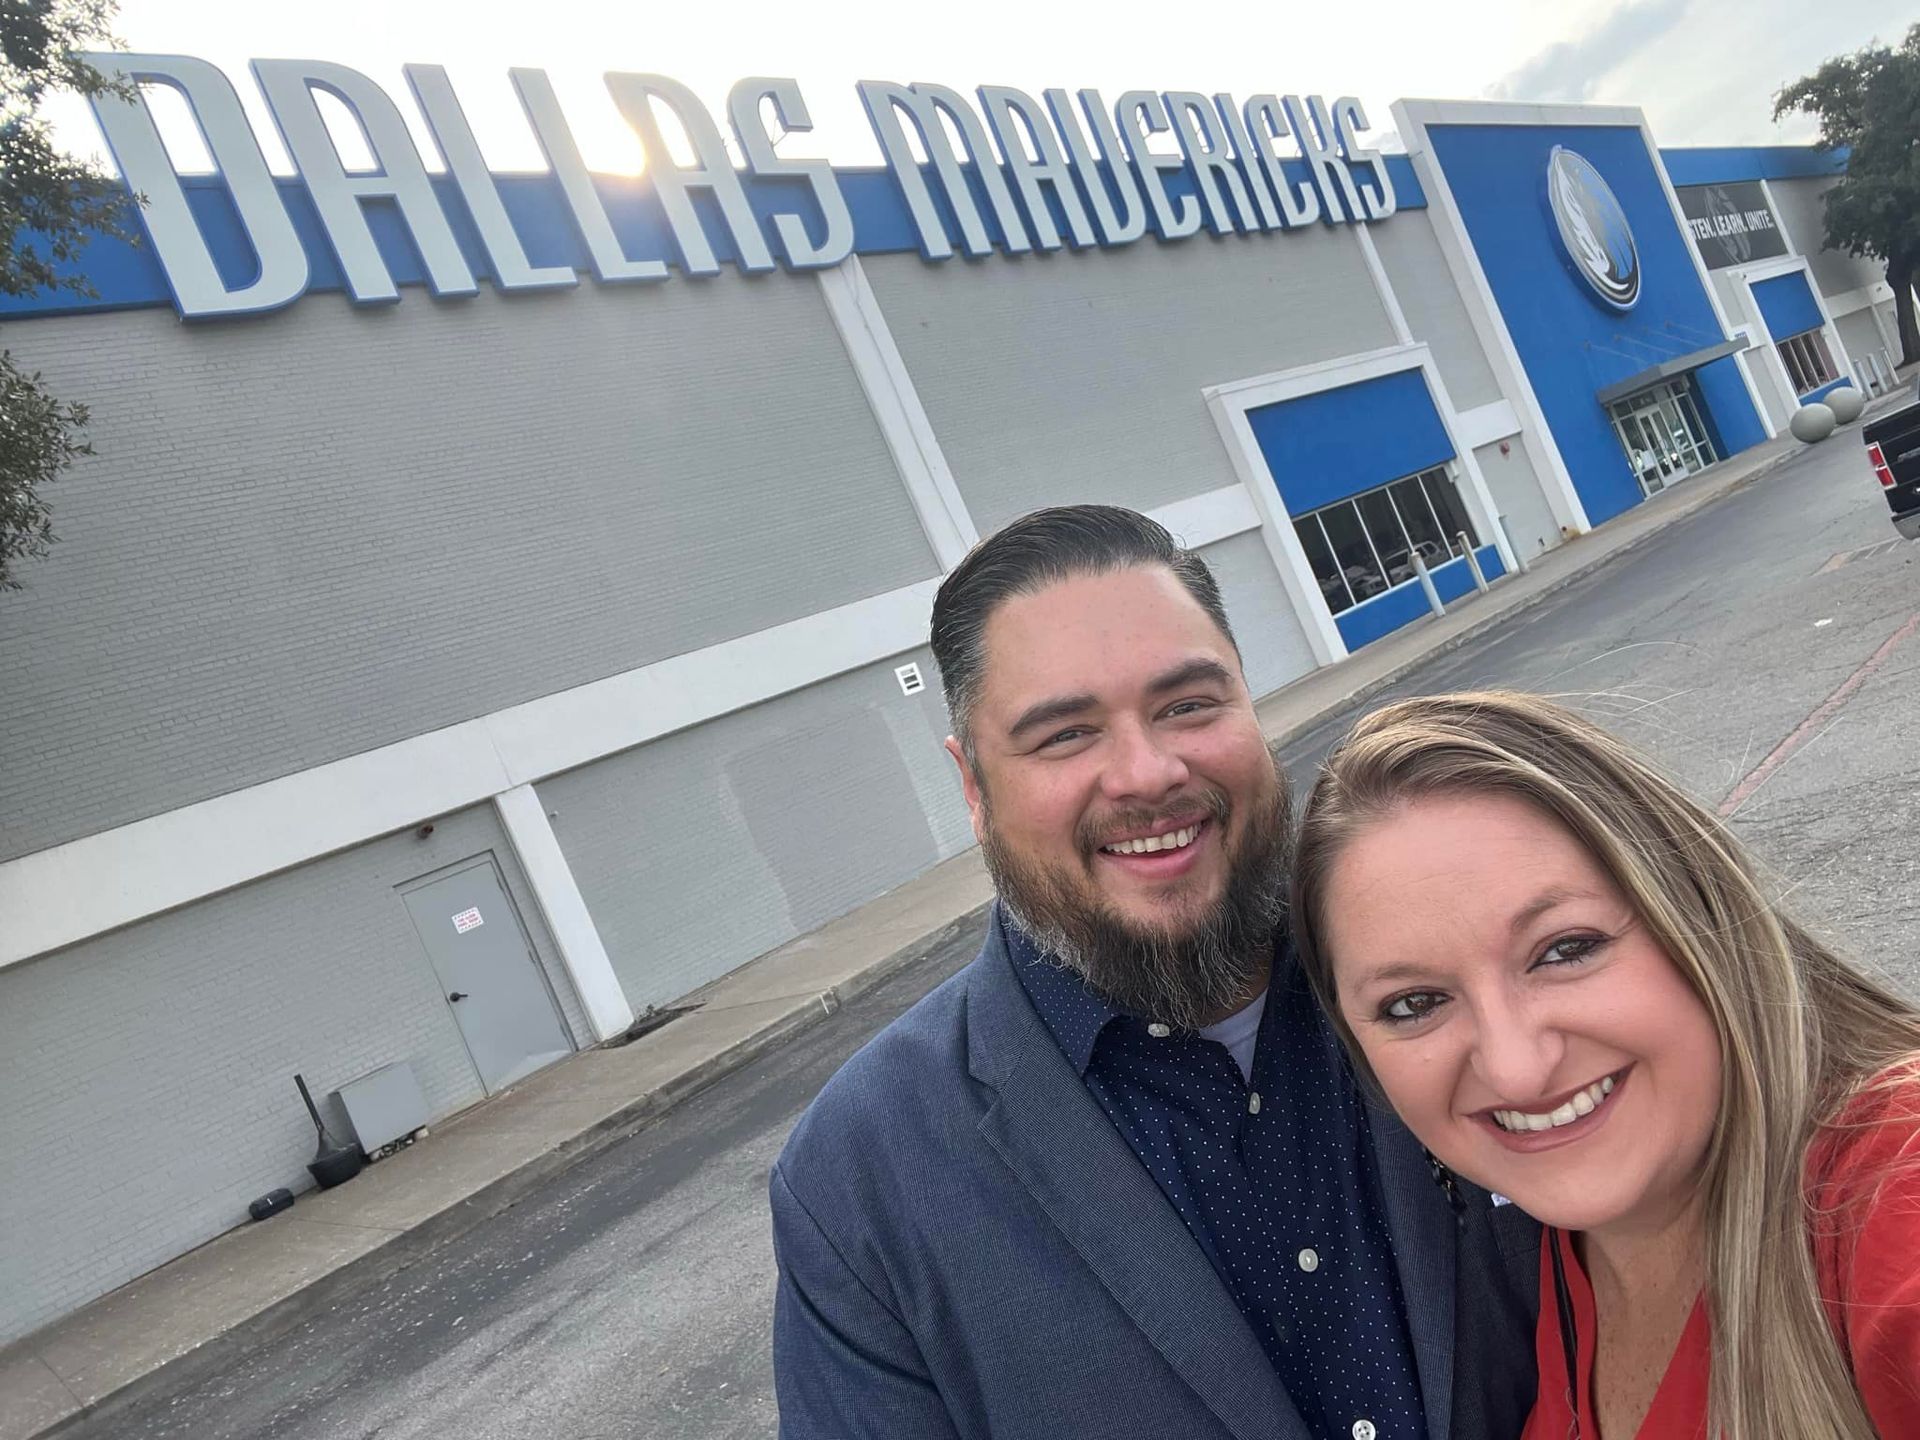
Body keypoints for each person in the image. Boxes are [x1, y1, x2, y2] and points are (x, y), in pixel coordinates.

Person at [770, 507, 1540, 1440]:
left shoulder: (1469, 967)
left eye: (1187, 705)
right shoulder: (862, 1180)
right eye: (1064, 734)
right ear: (973, 787)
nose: (1145, 772)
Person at [1290, 691, 1920, 1438]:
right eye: (1414, 1003)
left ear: (1696, 912)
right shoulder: (1565, 1249)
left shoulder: (1889, 1196)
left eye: (1566, 949)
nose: (1518, 1070)